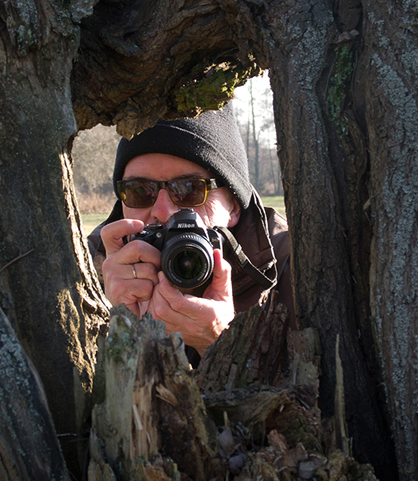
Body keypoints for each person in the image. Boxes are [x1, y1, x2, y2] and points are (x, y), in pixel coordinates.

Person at [87, 103, 293, 364]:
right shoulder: (84, 270)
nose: (162, 212)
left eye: (189, 189)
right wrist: (120, 330)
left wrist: (221, 345)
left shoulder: (293, 268)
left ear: (233, 205)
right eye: (140, 190)